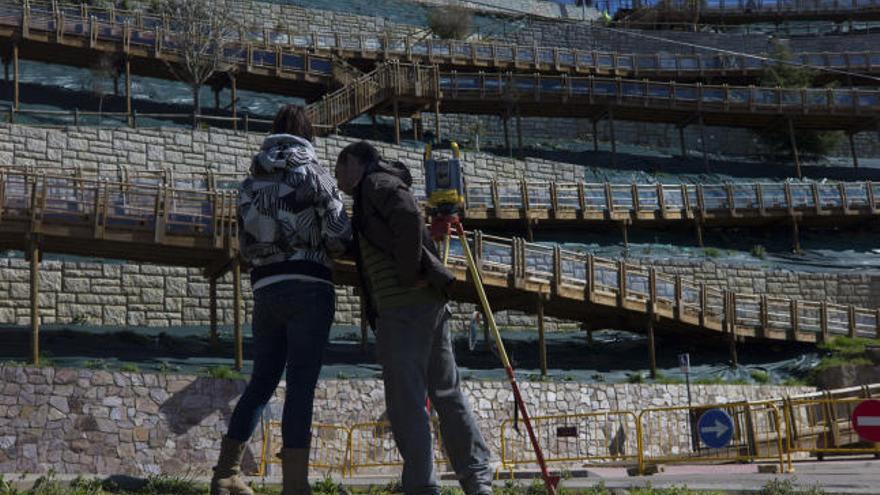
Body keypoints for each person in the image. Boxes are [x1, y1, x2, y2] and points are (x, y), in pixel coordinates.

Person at [334, 141, 492, 495]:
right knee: (447, 394)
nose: (338, 178)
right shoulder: (377, 188)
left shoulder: (375, 183)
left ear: (354, 164)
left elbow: (406, 216)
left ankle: (422, 486)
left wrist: (405, 275)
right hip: (426, 305)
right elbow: (386, 236)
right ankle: (477, 480)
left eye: (339, 169)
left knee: (407, 402)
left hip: (402, 308)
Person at [210, 104, 351, 495]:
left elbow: (244, 243)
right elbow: (339, 234)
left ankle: (225, 475)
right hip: (309, 284)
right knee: (301, 385)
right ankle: (294, 485)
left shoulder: (250, 183)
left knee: (261, 382)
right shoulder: (315, 174)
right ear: (308, 134)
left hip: (265, 288)